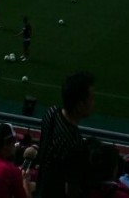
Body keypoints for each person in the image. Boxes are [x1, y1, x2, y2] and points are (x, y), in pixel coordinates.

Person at [35, 70, 95, 198]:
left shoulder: (50, 113)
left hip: (40, 190)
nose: (93, 103)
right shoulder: (76, 144)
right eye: (91, 98)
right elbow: (71, 190)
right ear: (79, 105)